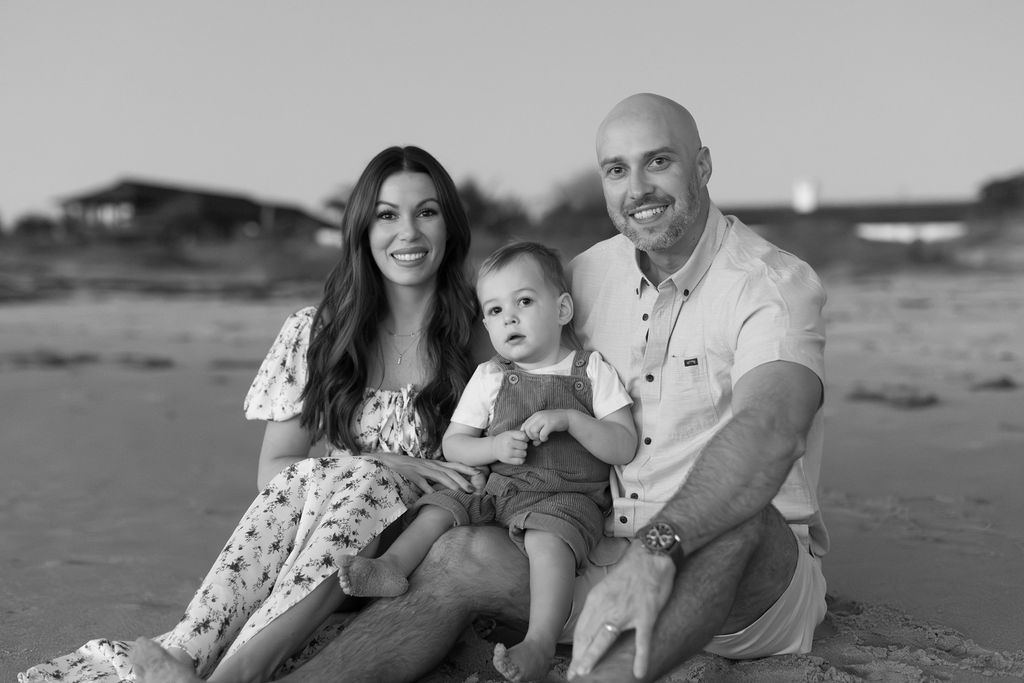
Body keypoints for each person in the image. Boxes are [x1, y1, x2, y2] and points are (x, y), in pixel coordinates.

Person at [130, 92, 829, 683]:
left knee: (739, 524)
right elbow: (513, 338)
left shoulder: (771, 285)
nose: (638, 187)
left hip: (740, 580)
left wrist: (659, 547)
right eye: (617, 169)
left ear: (702, 165)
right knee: (456, 555)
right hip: (591, 547)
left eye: (660, 161)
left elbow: (768, 433)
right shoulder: (583, 279)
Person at [19, 145, 485, 683]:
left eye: (426, 212)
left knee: (367, 477)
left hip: (407, 558)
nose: (408, 233)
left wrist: (382, 473)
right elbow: (275, 473)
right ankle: (190, 658)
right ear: (362, 229)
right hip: (316, 548)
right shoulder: (319, 335)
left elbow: (489, 474)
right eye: (387, 215)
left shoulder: (483, 337)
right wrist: (379, 463)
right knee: (359, 475)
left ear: (449, 225)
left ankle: (223, 675)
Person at [336, 242, 637, 682]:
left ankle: (540, 641)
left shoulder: (590, 371)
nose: (509, 318)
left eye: (525, 302)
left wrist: (572, 420)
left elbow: (623, 445)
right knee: (444, 502)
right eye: (494, 311)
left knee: (548, 542)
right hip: (499, 488)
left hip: (566, 498)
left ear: (563, 309)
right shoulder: (490, 375)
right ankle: (392, 567)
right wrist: (493, 449)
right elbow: (456, 446)